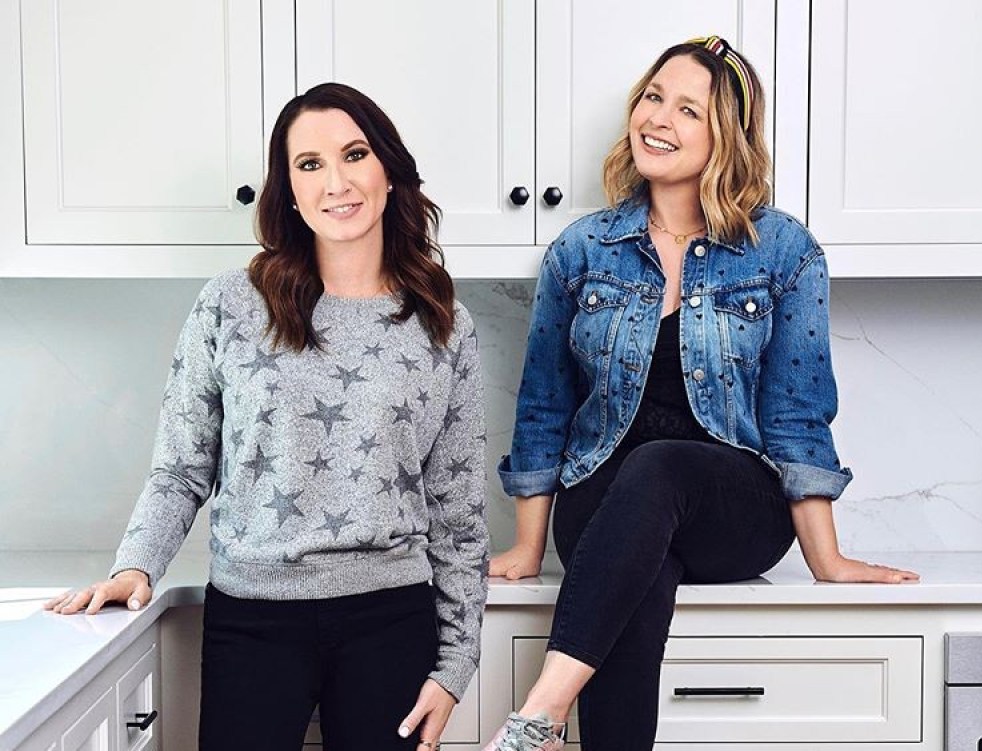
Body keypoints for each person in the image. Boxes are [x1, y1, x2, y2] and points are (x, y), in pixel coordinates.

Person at [484, 36, 919, 751]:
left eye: (690, 108)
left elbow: (795, 410)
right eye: (654, 97)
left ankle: (541, 711)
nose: (660, 118)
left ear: (727, 136)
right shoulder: (581, 250)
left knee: (660, 465)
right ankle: (549, 728)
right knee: (639, 579)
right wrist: (528, 547)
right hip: (603, 499)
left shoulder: (782, 251)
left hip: (732, 502)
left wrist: (827, 560)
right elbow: (543, 406)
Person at [44, 82, 489, 751]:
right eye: (308, 164)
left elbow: (460, 513)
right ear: (288, 187)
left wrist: (456, 666)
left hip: (390, 621)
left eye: (354, 154)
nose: (335, 181)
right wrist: (136, 564)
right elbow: (182, 466)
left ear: (389, 173)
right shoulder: (230, 305)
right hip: (252, 619)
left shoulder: (443, 325)